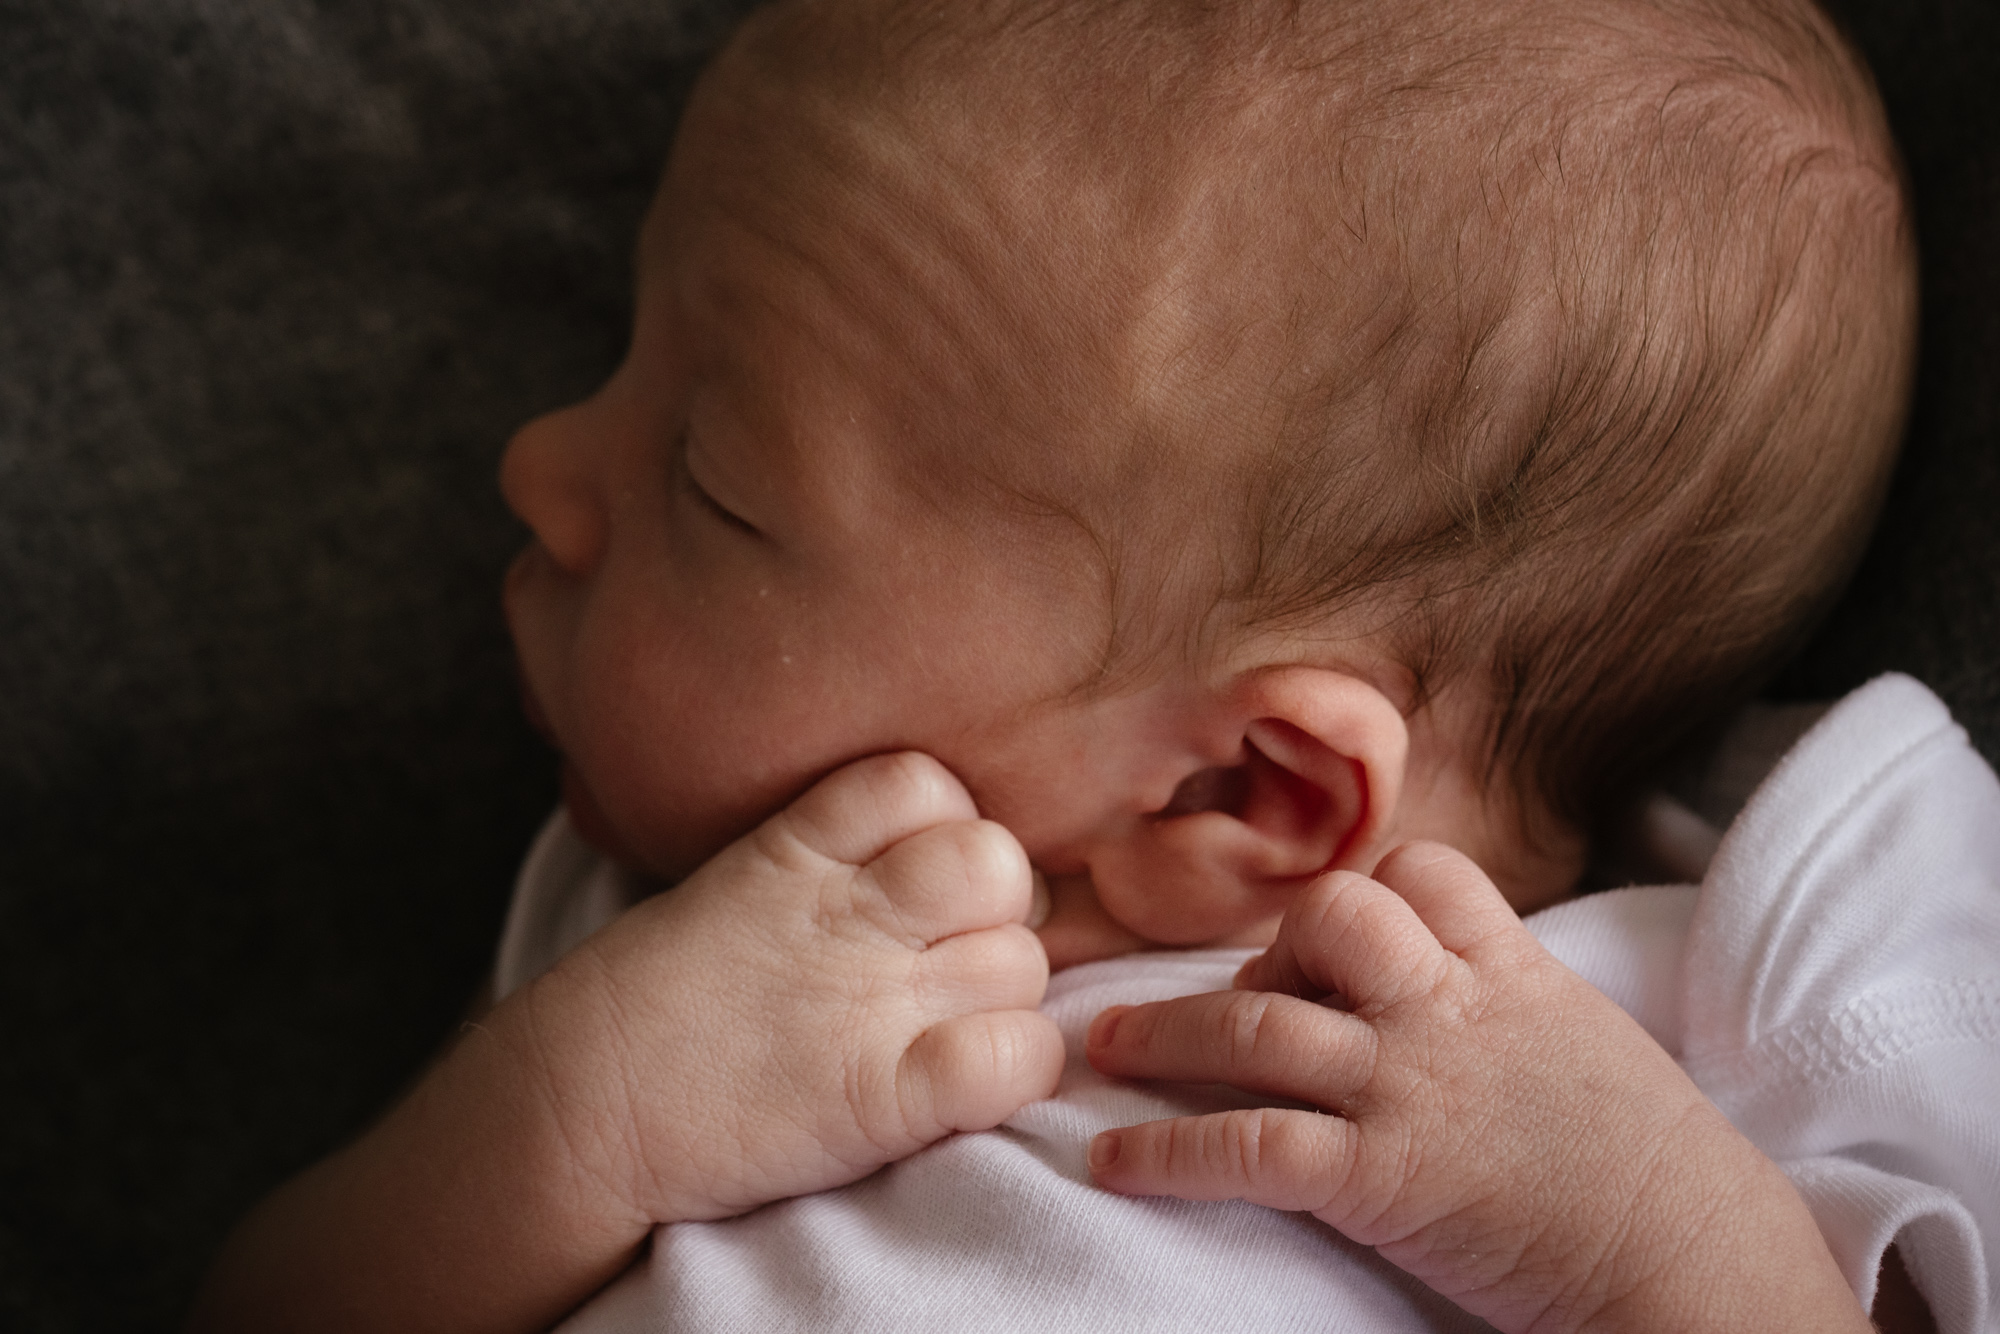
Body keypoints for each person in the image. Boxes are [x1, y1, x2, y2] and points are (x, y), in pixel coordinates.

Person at [188, 0, 1967, 1328]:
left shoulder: (1747, 960)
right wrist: (590, 1118)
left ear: (1238, 792)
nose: (535, 467)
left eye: (716, 484)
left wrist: (1642, 1226)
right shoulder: (682, 928)